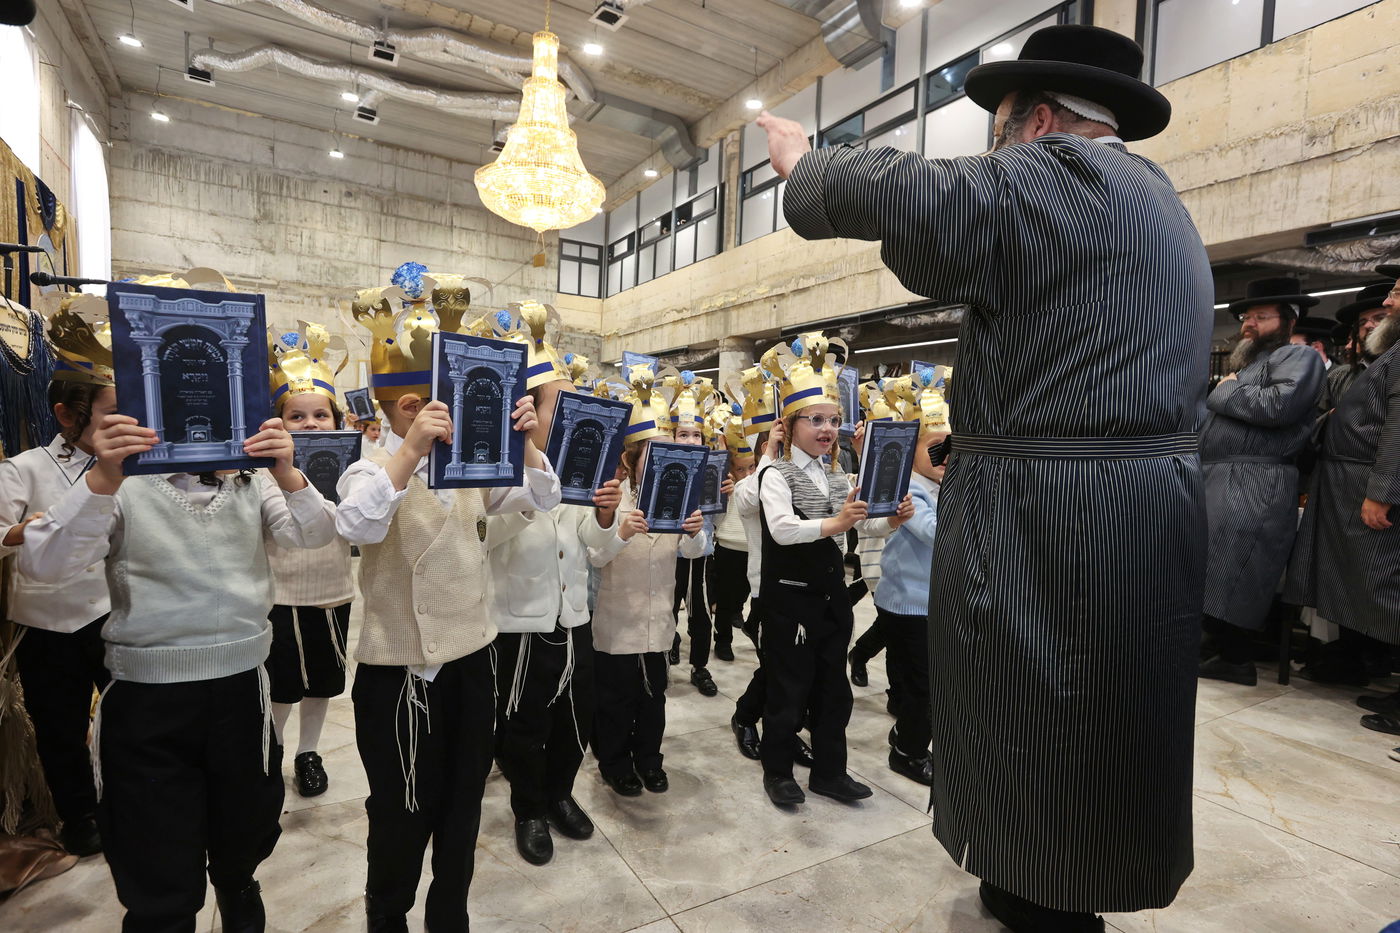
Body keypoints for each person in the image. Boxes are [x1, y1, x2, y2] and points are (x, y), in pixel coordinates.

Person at [761, 23, 1213, 930]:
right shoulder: (1158, 198)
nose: (996, 150)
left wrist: (806, 167)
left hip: (1057, 517)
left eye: (998, 131)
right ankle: (1039, 880)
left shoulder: (1065, 173)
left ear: (1037, 122)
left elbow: (922, 194)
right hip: (1141, 507)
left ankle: (1048, 897)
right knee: (1109, 721)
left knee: (1041, 711)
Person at [20, 406, 336, 933]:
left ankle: (237, 885)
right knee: (155, 851)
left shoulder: (250, 479)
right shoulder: (123, 482)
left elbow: (315, 533)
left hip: (242, 687)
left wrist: (288, 473)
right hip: (148, 695)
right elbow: (45, 564)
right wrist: (103, 477)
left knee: (246, 821)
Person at [338, 269, 561, 933]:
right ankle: (388, 914)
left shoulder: (469, 470)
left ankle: (449, 914)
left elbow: (541, 496)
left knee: (463, 807)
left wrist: (526, 444)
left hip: (471, 664)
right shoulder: (368, 468)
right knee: (402, 809)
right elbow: (357, 524)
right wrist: (408, 453)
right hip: (399, 675)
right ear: (414, 408)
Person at [484, 312, 605, 867]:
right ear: (525, 409)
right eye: (562, 404)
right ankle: (529, 807)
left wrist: (607, 519)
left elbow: (592, 546)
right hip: (521, 623)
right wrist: (533, 492)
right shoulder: (493, 467)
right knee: (524, 723)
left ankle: (560, 792)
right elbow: (484, 537)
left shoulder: (579, 466)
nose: (574, 415)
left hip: (573, 617)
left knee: (576, 717)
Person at [0, 295, 116, 858]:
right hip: (46, 624)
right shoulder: (23, 468)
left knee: (122, 716)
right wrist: (28, 532)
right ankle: (79, 815)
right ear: (68, 416)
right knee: (59, 726)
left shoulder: (128, 472)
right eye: (110, 415)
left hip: (110, 613)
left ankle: (121, 800)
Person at [755, 333, 886, 808]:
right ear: (789, 426)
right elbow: (783, 530)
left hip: (832, 601)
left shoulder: (836, 476)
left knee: (834, 693)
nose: (828, 429)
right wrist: (836, 523)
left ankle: (830, 773)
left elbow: (863, 524)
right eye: (815, 420)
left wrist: (891, 520)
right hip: (790, 603)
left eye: (833, 420)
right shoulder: (775, 475)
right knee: (787, 692)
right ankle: (777, 772)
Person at [584, 363, 707, 797]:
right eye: (651, 455)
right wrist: (620, 531)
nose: (662, 464)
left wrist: (695, 531)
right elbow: (595, 556)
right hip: (617, 623)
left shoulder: (677, 497)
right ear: (630, 460)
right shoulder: (612, 499)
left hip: (658, 623)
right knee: (615, 700)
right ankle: (615, 762)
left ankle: (650, 759)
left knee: (654, 697)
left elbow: (695, 552)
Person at [1197, 278, 1325, 686]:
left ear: (1288, 320)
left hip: (1257, 478)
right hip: (1225, 475)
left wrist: (1224, 392)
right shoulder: (1252, 365)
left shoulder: (1299, 355)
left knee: (1242, 566)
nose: (1249, 324)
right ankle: (1216, 645)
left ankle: (1237, 659)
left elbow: (1279, 406)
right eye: (1247, 317)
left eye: (1261, 316)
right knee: (1218, 566)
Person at [1286, 267, 1400, 713]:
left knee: (1383, 589)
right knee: (1363, 586)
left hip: (1369, 487)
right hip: (1346, 482)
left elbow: (1397, 430)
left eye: (1395, 294)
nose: (1387, 303)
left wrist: (1382, 492)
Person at [265, 323, 356, 798]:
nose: (311, 424)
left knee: (322, 683)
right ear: (277, 423)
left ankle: (309, 752)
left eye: (321, 414)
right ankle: (273, 751)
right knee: (282, 685)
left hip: (332, 590)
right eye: (296, 416)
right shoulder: (265, 472)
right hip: (280, 592)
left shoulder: (353, 469)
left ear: (337, 420)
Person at [663, 372, 723, 694]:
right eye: (683, 434)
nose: (689, 441)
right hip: (666, 554)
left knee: (700, 615)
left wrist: (726, 494)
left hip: (700, 555)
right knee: (667, 608)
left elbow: (719, 519)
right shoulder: (659, 469)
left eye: (696, 435)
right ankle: (666, 648)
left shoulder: (712, 471)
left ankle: (699, 666)